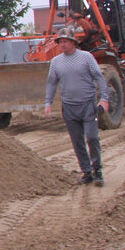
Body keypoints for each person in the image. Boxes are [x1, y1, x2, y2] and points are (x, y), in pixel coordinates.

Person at [44, 28, 109, 186]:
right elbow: (52, 83)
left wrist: (105, 98)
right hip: (69, 107)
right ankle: (86, 172)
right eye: (60, 42)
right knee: (77, 140)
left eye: (65, 41)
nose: (62, 44)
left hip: (88, 105)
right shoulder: (56, 62)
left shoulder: (86, 57)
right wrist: (48, 102)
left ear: (73, 42)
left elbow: (98, 77)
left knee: (92, 137)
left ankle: (97, 170)